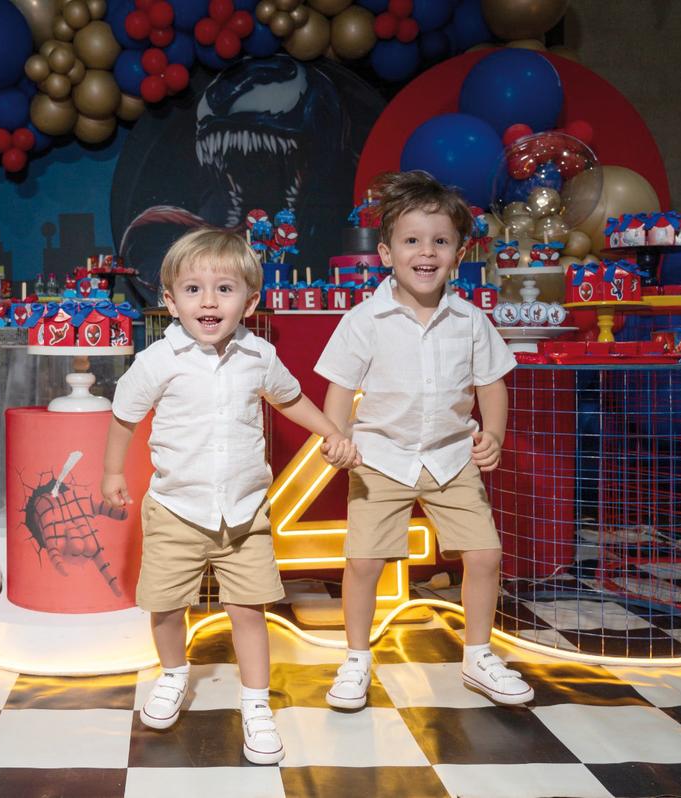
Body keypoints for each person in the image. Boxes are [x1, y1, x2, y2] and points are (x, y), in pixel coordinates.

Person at [102, 228, 360, 765]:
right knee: (168, 606)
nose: (210, 301)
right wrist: (111, 473)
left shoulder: (257, 355)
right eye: (193, 290)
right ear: (170, 301)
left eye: (224, 288)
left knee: (249, 609)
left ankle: (256, 703)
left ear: (250, 299)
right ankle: (174, 675)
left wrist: (331, 432)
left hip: (244, 514)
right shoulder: (158, 360)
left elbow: (291, 401)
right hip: (176, 508)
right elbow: (125, 417)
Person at [314, 171, 533, 708]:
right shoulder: (364, 319)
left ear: (459, 252)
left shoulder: (471, 321)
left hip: (451, 456)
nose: (426, 253)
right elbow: (339, 388)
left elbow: (492, 383)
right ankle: (356, 658)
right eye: (412, 241)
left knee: (484, 555)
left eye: (440, 241)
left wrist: (495, 435)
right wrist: (336, 437)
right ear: (386, 252)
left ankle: (478, 656)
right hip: (380, 456)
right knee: (364, 563)